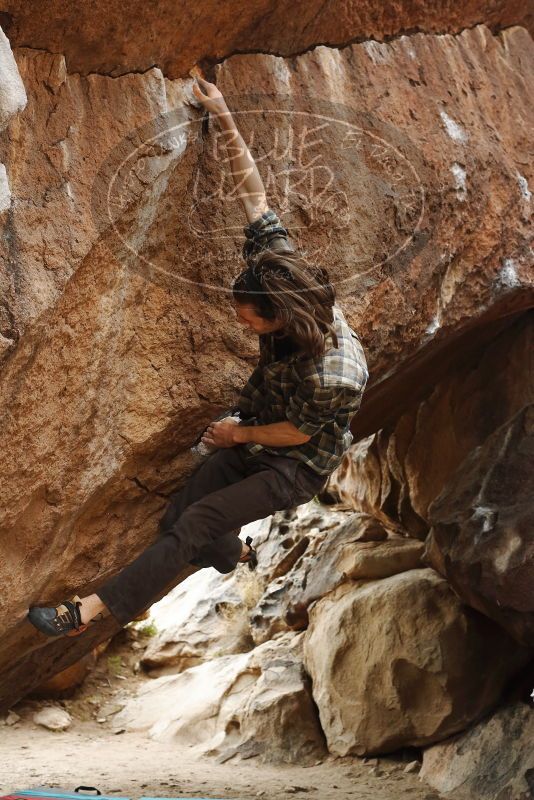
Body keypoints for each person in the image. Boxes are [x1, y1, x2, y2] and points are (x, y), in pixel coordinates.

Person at [27, 77, 369, 638]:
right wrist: (225, 114)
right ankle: (231, 554)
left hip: (293, 465)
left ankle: (83, 614)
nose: (240, 320)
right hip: (260, 432)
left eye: (248, 318)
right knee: (179, 518)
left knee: (195, 524)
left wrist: (236, 436)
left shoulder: (336, 371)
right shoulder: (279, 271)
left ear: (278, 317)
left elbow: (298, 436)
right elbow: (254, 197)